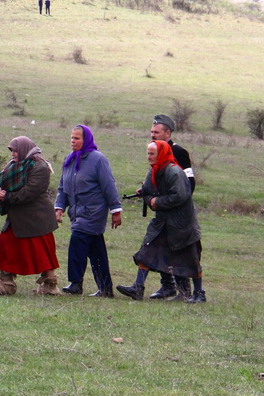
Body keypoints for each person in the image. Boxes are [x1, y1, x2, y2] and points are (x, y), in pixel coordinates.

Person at [116, 141, 205, 303]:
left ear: (161, 154)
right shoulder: (154, 172)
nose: (149, 157)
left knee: (190, 259)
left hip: (182, 225)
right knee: (147, 251)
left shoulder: (174, 172)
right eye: (148, 153)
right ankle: (138, 287)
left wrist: (156, 201)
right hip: (163, 223)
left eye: (152, 154)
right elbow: (149, 192)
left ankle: (199, 293)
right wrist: (146, 195)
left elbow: (180, 196)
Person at [55, 125, 122, 297]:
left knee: (77, 240)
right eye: (72, 137)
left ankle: (75, 283)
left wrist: (116, 210)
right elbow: (63, 187)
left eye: (77, 138)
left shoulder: (98, 160)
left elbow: (109, 186)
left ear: (86, 140)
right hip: (77, 214)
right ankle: (105, 288)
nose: (73, 141)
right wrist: (59, 208)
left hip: (94, 213)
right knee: (95, 249)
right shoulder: (69, 160)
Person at [0, 136, 61, 296]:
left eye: (15, 150)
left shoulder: (40, 167)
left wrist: (7, 196)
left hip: (37, 218)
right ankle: (5, 283)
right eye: (12, 151)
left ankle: (50, 285)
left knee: (42, 251)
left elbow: (30, 192)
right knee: (6, 245)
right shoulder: (12, 165)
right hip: (17, 217)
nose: (13, 153)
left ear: (24, 150)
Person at [145, 113, 196, 299]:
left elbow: (189, 183)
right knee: (161, 248)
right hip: (163, 211)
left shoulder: (179, 152)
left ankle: (184, 290)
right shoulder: (154, 150)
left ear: (168, 133)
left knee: (179, 249)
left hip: (177, 212)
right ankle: (167, 286)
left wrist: (174, 203)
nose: (153, 135)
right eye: (151, 132)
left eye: (156, 132)